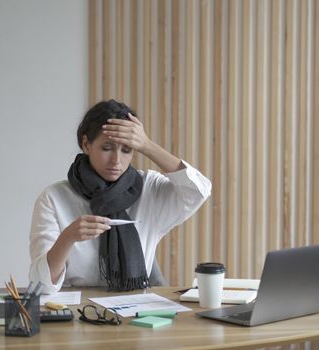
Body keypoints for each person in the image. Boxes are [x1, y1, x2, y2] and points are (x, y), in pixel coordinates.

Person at [29, 99, 211, 293]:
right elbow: (42, 284)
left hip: (136, 309)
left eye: (127, 150)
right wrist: (67, 238)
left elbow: (198, 191)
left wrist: (148, 145)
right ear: (86, 144)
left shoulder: (148, 188)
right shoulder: (53, 198)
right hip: (78, 313)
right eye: (107, 148)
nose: (117, 160)